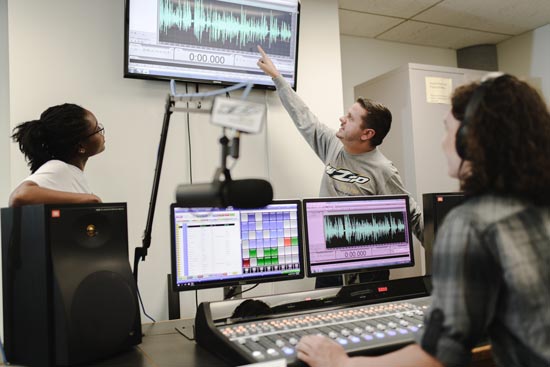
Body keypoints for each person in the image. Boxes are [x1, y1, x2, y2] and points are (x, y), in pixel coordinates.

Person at [295, 73, 550, 367]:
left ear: (470, 142)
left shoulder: (473, 223)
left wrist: (340, 363)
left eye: (447, 130)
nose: (442, 143)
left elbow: (436, 355)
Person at [257, 46, 423, 288]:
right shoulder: (333, 146)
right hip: (329, 262)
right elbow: (304, 117)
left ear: (367, 134)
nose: (342, 119)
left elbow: (412, 213)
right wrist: (277, 78)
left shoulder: (383, 170)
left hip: (368, 271)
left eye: (351, 117)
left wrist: (444, 257)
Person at [9, 103, 105, 207]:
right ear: (81, 147)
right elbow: (20, 195)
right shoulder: (59, 167)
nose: (101, 133)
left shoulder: (73, 173)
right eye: (97, 129)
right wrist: (90, 199)